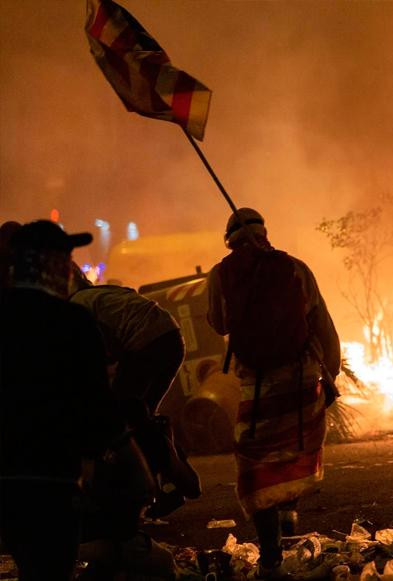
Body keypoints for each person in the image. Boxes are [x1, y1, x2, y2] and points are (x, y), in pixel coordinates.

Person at [207, 208, 341, 578]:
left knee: (256, 462)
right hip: (301, 377)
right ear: (264, 231)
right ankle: (289, 509)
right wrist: (332, 372)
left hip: (258, 385)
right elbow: (321, 321)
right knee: (298, 445)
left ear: (229, 239)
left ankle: (270, 559)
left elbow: (218, 322)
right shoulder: (295, 267)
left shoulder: (220, 274)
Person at [0, 220, 124, 580]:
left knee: (28, 563)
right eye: (64, 259)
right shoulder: (72, 320)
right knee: (52, 567)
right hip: (53, 476)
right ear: (50, 265)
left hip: (6, 477)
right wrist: (120, 456)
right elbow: (98, 404)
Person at [68, 265, 200, 517]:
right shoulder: (99, 293)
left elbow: (100, 352)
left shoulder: (79, 306)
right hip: (171, 337)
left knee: (122, 418)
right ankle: (164, 477)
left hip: (146, 343)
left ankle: (162, 475)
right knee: (140, 415)